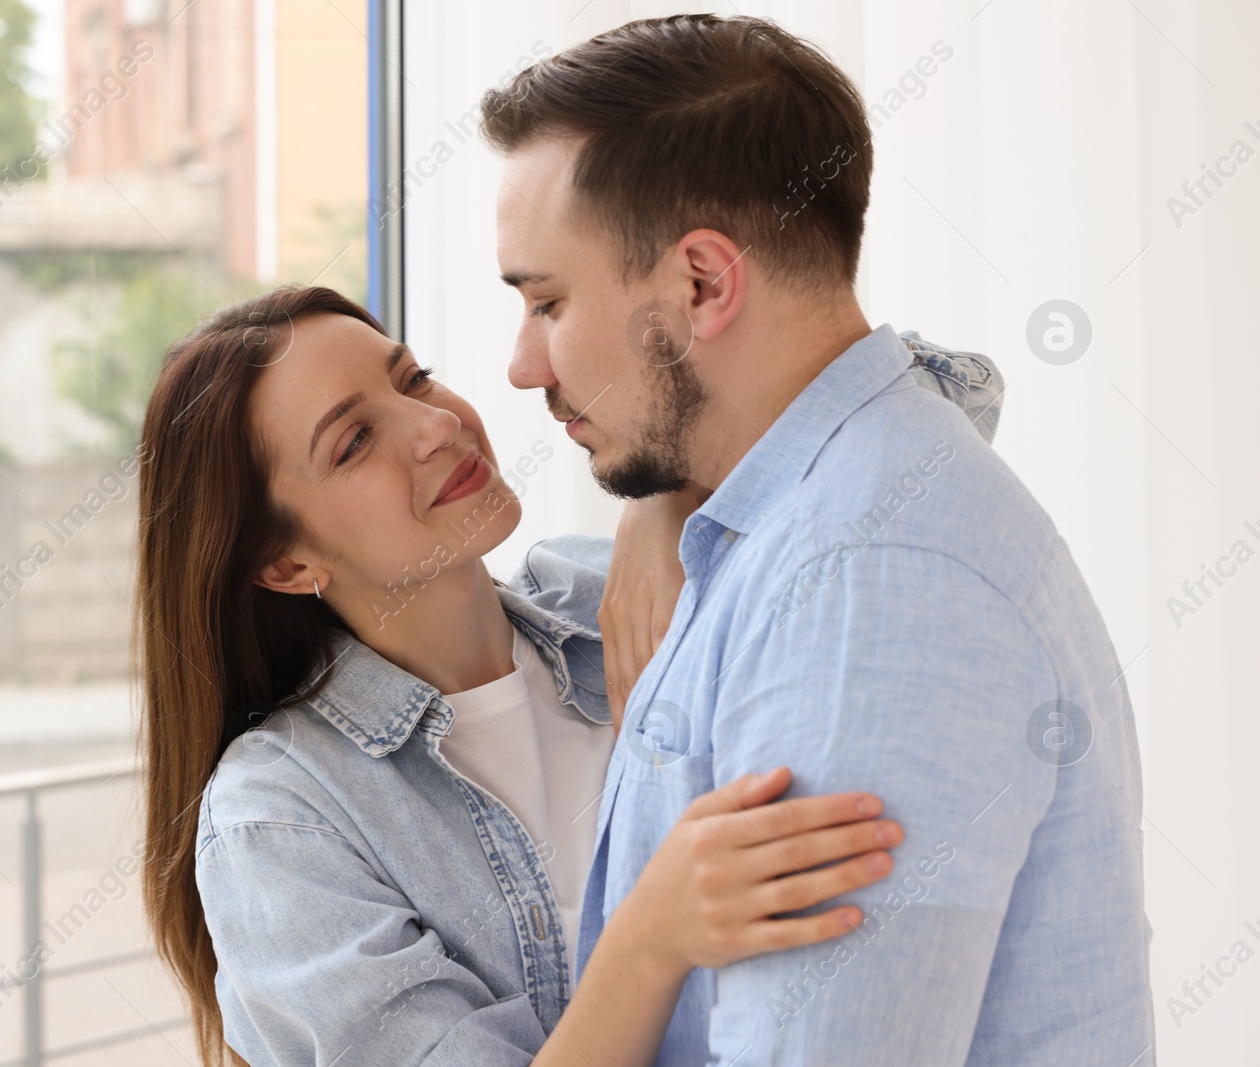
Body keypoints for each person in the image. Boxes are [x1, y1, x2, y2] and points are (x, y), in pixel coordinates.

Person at [480, 13, 1154, 1065]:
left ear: (702, 282)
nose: (523, 365)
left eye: (548, 301)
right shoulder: (811, 517)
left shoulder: (864, 583)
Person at [134, 284, 1003, 1066]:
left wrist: (672, 499)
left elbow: (945, 398)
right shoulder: (280, 816)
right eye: (356, 440)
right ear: (284, 563)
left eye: (414, 379)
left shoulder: (618, 595)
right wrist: (654, 934)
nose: (435, 424)